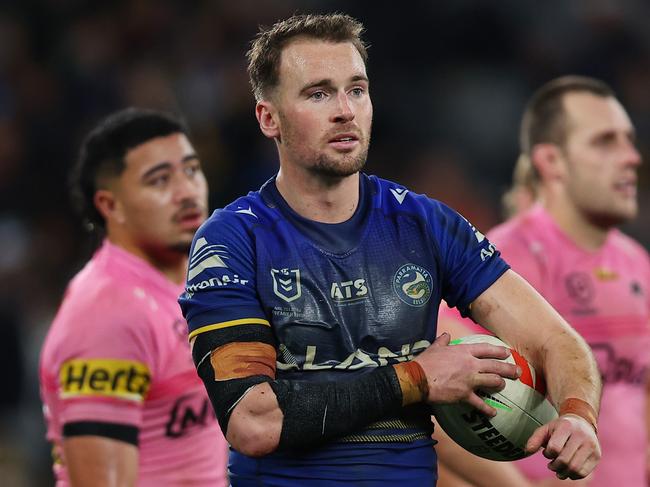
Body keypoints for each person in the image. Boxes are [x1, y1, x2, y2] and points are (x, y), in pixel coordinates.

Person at [180, 14, 601, 486]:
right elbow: (254, 422)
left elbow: (556, 342)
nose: (345, 110)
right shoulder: (232, 241)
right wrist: (416, 379)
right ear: (268, 117)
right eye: (318, 94)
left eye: (356, 89)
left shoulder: (424, 224)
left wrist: (579, 416)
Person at [437, 75, 649, 487]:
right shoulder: (504, 262)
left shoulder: (636, 262)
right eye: (606, 142)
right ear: (551, 162)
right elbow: (440, 413)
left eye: (629, 139)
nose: (631, 157)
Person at [39, 108, 228, 486]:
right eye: (159, 180)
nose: (186, 192)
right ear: (110, 206)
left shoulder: (208, 276)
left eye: (191, 170)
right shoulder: (107, 313)